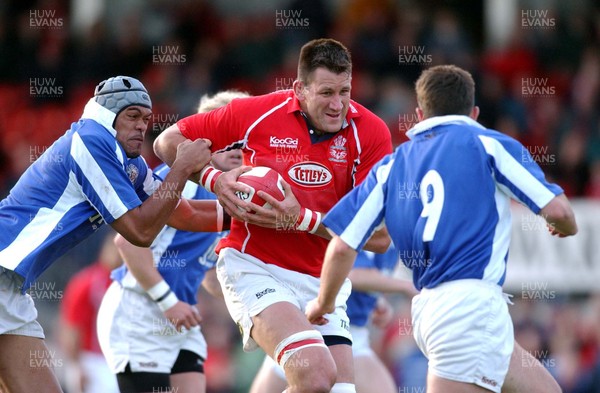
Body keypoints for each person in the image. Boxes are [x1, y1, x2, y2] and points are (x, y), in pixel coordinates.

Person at [306, 64, 578, 393]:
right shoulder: (488, 144)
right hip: (468, 309)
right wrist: (563, 224)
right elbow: (560, 211)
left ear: (420, 113)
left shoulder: (393, 164)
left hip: (438, 309)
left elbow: (341, 245)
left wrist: (323, 303)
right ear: (474, 112)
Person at [154, 38, 393, 393]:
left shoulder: (371, 133)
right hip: (256, 268)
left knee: (339, 389)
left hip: (323, 283)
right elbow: (167, 141)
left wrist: (301, 219)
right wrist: (213, 179)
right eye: (326, 92)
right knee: (314, 375)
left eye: (345, 91)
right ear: (299, 88)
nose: (338, 104)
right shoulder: (258, 112)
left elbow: (380, 237)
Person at [0, 75, 216, 392]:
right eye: (132, 116)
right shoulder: (90, 139)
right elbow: (140, 232)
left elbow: (185, 214)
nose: (142, 126)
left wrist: (251, 214)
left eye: (146, 119)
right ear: (107, 116)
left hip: (11, 288)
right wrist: (181, 168)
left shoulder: (131, 164)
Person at [97, 90, 248, 393]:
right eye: (228, 137)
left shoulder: (235, 190)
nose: (237, 148)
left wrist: (247, 310)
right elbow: (127, 244)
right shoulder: (180, 180)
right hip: (139, 311)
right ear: (205, 137)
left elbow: (206, 270)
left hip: (181, 318)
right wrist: (169, 303)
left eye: (244, 139)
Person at [250, 245, 417, 393]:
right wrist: (406, 287)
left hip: (351, 334)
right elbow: (351, 272)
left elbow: (360, 278)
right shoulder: (368, 223)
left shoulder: (391, 239)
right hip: (320, 327)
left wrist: (373, 300)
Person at [58, 229, 122, 393]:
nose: (119, 254)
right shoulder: (87, 282)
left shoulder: (129, 283)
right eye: (115, 247)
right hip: (91, 361)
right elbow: (71, 327)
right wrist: (75, 366)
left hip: (118, 362)